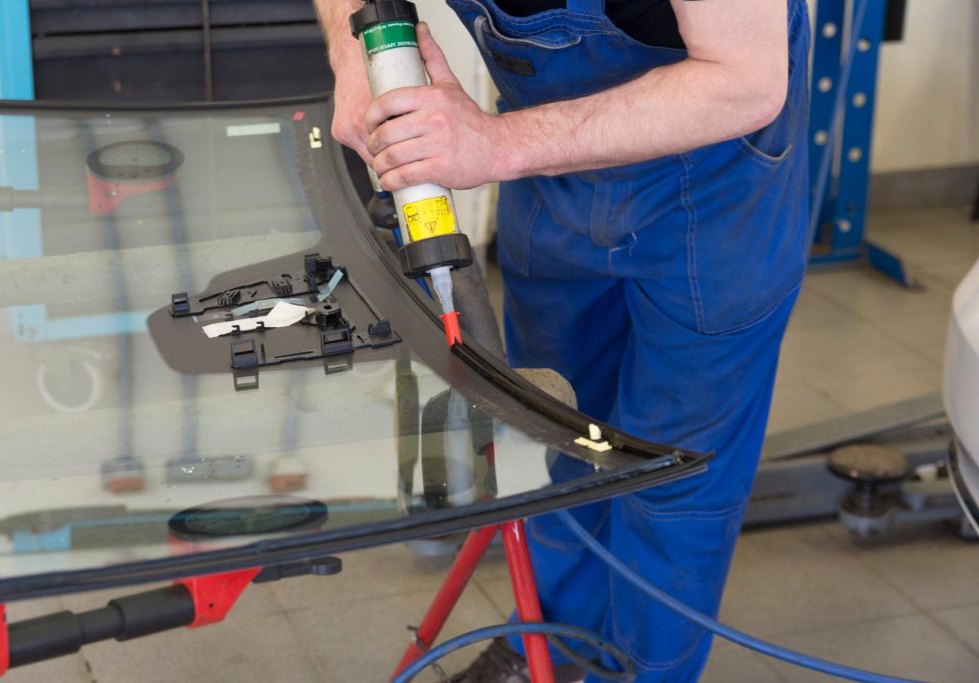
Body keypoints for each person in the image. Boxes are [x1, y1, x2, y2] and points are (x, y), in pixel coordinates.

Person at [313, 0, 810, 680]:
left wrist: (496, 146)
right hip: (550, 172)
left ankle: (637, 672)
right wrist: (350, 52)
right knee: (568, 434)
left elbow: (746, 79)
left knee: (672, 475)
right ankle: (547, 647)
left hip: (714, 181)